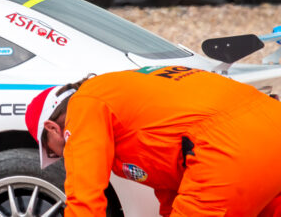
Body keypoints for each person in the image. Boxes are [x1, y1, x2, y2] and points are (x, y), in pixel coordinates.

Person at [25, 66, 281, 217]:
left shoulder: (85, 105)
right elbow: (170, 179)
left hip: (229, 149)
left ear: (53, 128)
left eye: (54, 152)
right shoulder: (125, 90)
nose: (62, 157)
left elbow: (84, 197)